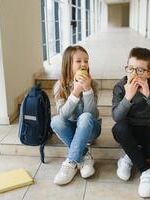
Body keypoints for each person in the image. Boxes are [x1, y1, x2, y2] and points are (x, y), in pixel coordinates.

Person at [111, 47, 150, 197]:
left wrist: (147, 94)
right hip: (125, 130)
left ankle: (129, 156)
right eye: (130, 68)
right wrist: (128, 97)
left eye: (140, 70)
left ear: (149, 73)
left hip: (145, 129)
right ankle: (146, 172)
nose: (133, 74)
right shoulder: (120, 86)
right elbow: (117, 117)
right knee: (119, 128)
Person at [51, 45, 101, 185]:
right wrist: (75, 93)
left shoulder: (93, 84)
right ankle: (85, 155)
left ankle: (71, 161)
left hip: (91, 129)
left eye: (86, 60)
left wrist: (87, 90)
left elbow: (91, 114)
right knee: (55, 121)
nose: (84, 64)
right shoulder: (59, 86)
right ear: (68, 64)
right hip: (72, 129)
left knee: (85, 117)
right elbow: (63, 115)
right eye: (78, 61)